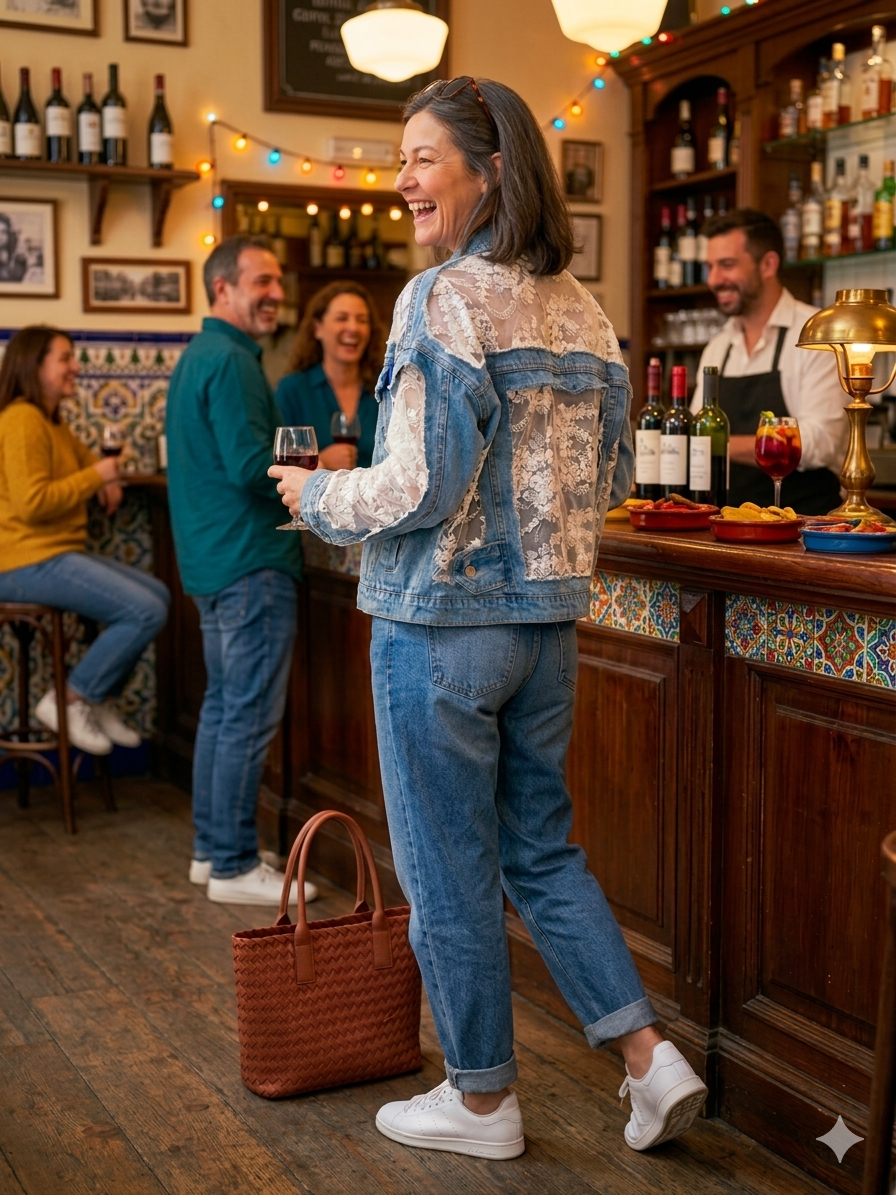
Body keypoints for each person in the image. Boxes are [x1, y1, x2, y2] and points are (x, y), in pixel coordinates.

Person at [270, 76, 707, 1160]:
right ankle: (650, 1061)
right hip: (546, 631)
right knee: (542, 855)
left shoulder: (441, 298)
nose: (402, 178)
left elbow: (414, 486)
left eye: (422, 157)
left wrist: (315, 498)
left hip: (437, 629)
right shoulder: (582, 306)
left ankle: (479, 1102)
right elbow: (607, 475)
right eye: (400, 158)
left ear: (492, 167)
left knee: (445, 868)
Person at [165, 235, 316, 908]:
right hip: (250, 560)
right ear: (222, 288)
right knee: (245, 715)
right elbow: (250, 466)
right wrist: (320, 473)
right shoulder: (230, 361)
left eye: (278, 281)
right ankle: (231, 863)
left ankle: (211, 850)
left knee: (225, 712)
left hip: (214, 562)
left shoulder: (202, 354)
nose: (275, 293)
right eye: (262, 280)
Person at [0, 326, 169, 755]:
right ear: (34, 366)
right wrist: (97, 478)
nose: (76, 367)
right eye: (65, 358)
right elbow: (32, 503)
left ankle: (98, 696)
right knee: (144, 609)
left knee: (157, 593)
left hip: (50, 552)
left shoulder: (52, 420)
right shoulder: (22, 418)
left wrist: (100, 479)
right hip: (21, 559)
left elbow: (89, 465)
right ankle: (72, 698)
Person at [692, 208, 848, 513]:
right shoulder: (718, 346)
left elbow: (822, 441)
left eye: (726, 265)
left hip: (802, 530)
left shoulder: (815, 335)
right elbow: (696, 431)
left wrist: (714, 443)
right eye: (709, 267)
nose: (713, 279)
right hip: (727, 525)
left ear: (768, 264)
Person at [275, 282, 383, 471]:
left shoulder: (385, 389)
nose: (353, 328)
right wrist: (320, 462)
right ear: (318, 328)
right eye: (342, 318)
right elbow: (276, 470)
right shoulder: (292, 390)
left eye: (362, 320)